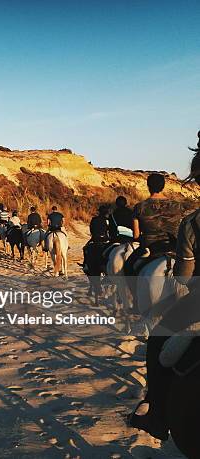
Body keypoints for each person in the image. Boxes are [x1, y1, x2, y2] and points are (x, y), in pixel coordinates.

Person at [129, 136, 200, 441]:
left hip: (153, 251)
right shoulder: (175, 207)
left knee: (159, 341)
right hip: (173, 246)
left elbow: (183, 279)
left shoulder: (188, 220)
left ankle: (156, 413)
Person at [123, 173, 186, 278]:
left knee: (128, 267)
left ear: (148, 186)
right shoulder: (177, 206)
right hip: (173, 245)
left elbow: (136, 235)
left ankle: (134, 294)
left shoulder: (139, 207)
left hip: (149, 246)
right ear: (163, 186)